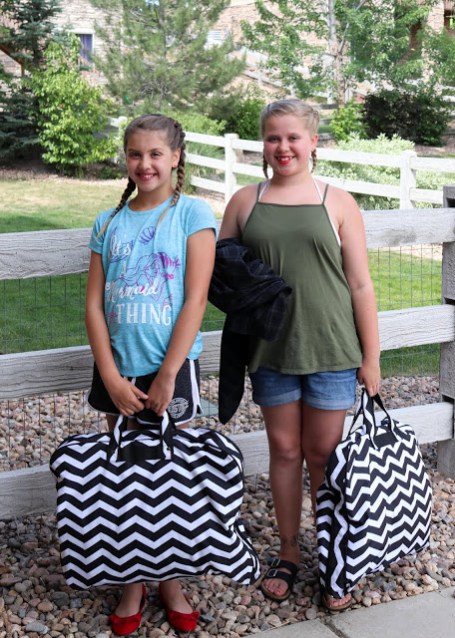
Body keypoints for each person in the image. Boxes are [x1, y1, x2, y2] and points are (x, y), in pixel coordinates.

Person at [218, 99, 380, 611]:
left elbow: (360, 284)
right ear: (263, 144)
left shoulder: (338, 201)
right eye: (273, 138)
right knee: (286, 452)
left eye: (293, 137)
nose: (283, 147)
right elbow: (222, 274)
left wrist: (372, 357)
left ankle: (334, 559)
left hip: (332, 348)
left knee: (324, 457)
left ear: (313, 142)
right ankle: (289, 551)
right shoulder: (245, 202)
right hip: (271, 350)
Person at [85, 113, 217, 635]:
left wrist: (168, 374)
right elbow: (94, 305)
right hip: (119, 369)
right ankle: (132, 583)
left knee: (169, 480)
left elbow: (196, 299)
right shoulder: (108, 222)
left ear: (176, 157)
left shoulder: (192, 214)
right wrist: (110, 376)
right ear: (126, 158)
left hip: (171, 369)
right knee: (125, 477)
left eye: (156, 154)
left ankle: (170, 582)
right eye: (135, 154)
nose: (145, 164)